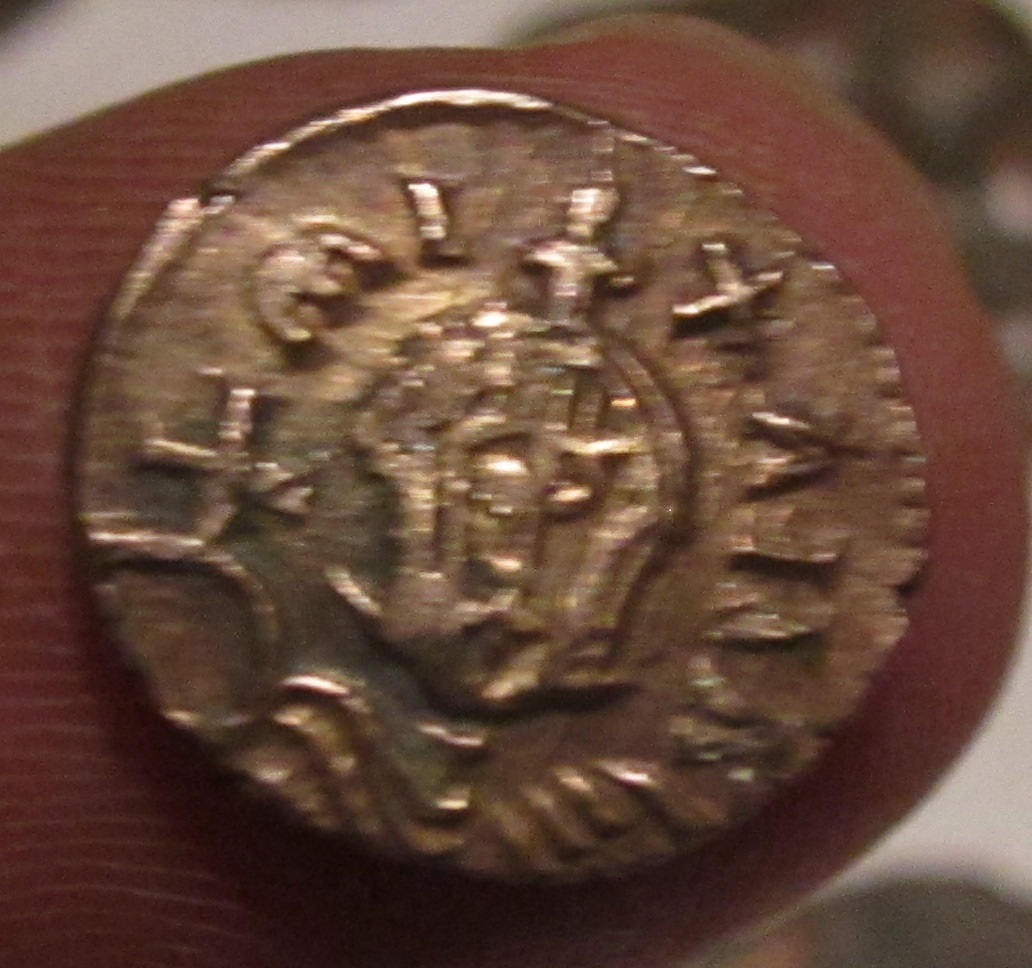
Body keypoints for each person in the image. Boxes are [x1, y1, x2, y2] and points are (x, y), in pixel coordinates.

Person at [0, 14, 1024, 968]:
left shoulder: (579, 749)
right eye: (507, 496)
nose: (532, 553)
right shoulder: (258, 622)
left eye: (581, 502)